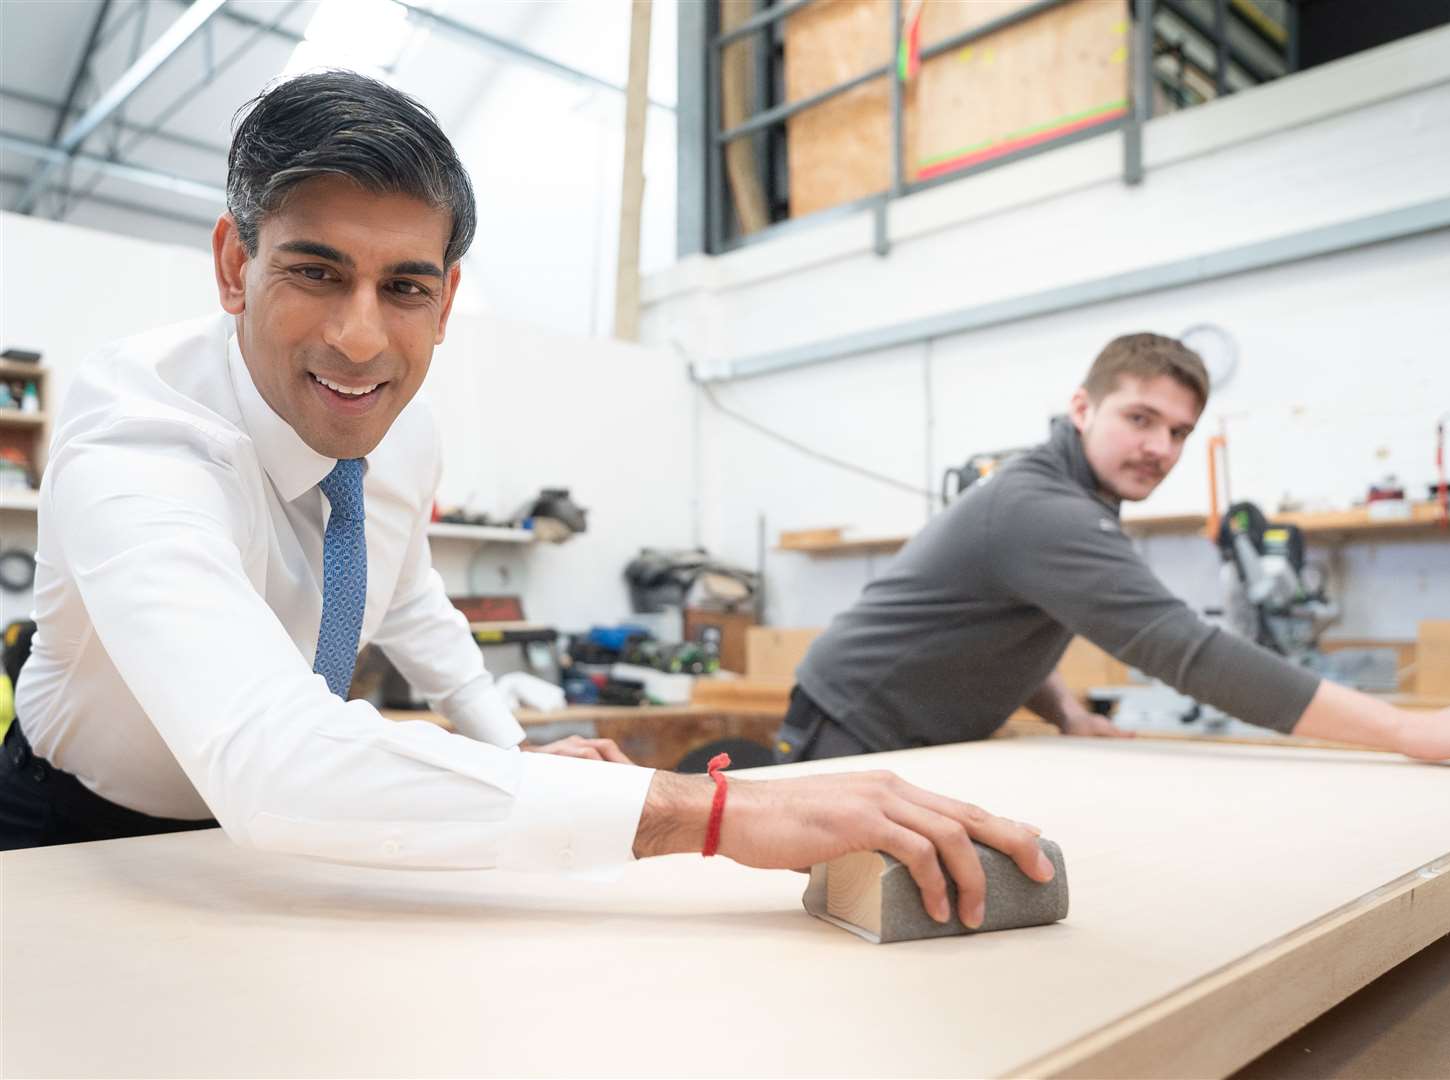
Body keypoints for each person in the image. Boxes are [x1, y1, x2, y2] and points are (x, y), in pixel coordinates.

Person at [0, 72, 1051, 931]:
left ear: (448, 299)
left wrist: (503, 742)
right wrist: (717, 811)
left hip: (262, 834)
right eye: (316, 273)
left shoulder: (396, 428)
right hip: (80, 834)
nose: (362, 340)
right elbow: (275, 762)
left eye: (405, 286)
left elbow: (404, 596)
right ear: (235, 265)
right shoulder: (135, 441)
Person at [778, 333, 1450, 767]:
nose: (1161, 448)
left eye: (1179, 432)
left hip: (906, 730)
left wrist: (1063, 710)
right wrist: (1408, 730)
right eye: (1140, 419)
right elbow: (1187, 652)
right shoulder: (1043, 508)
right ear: (1081, 407)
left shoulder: (1073, 497)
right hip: (851, 727)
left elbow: (1009, 623)